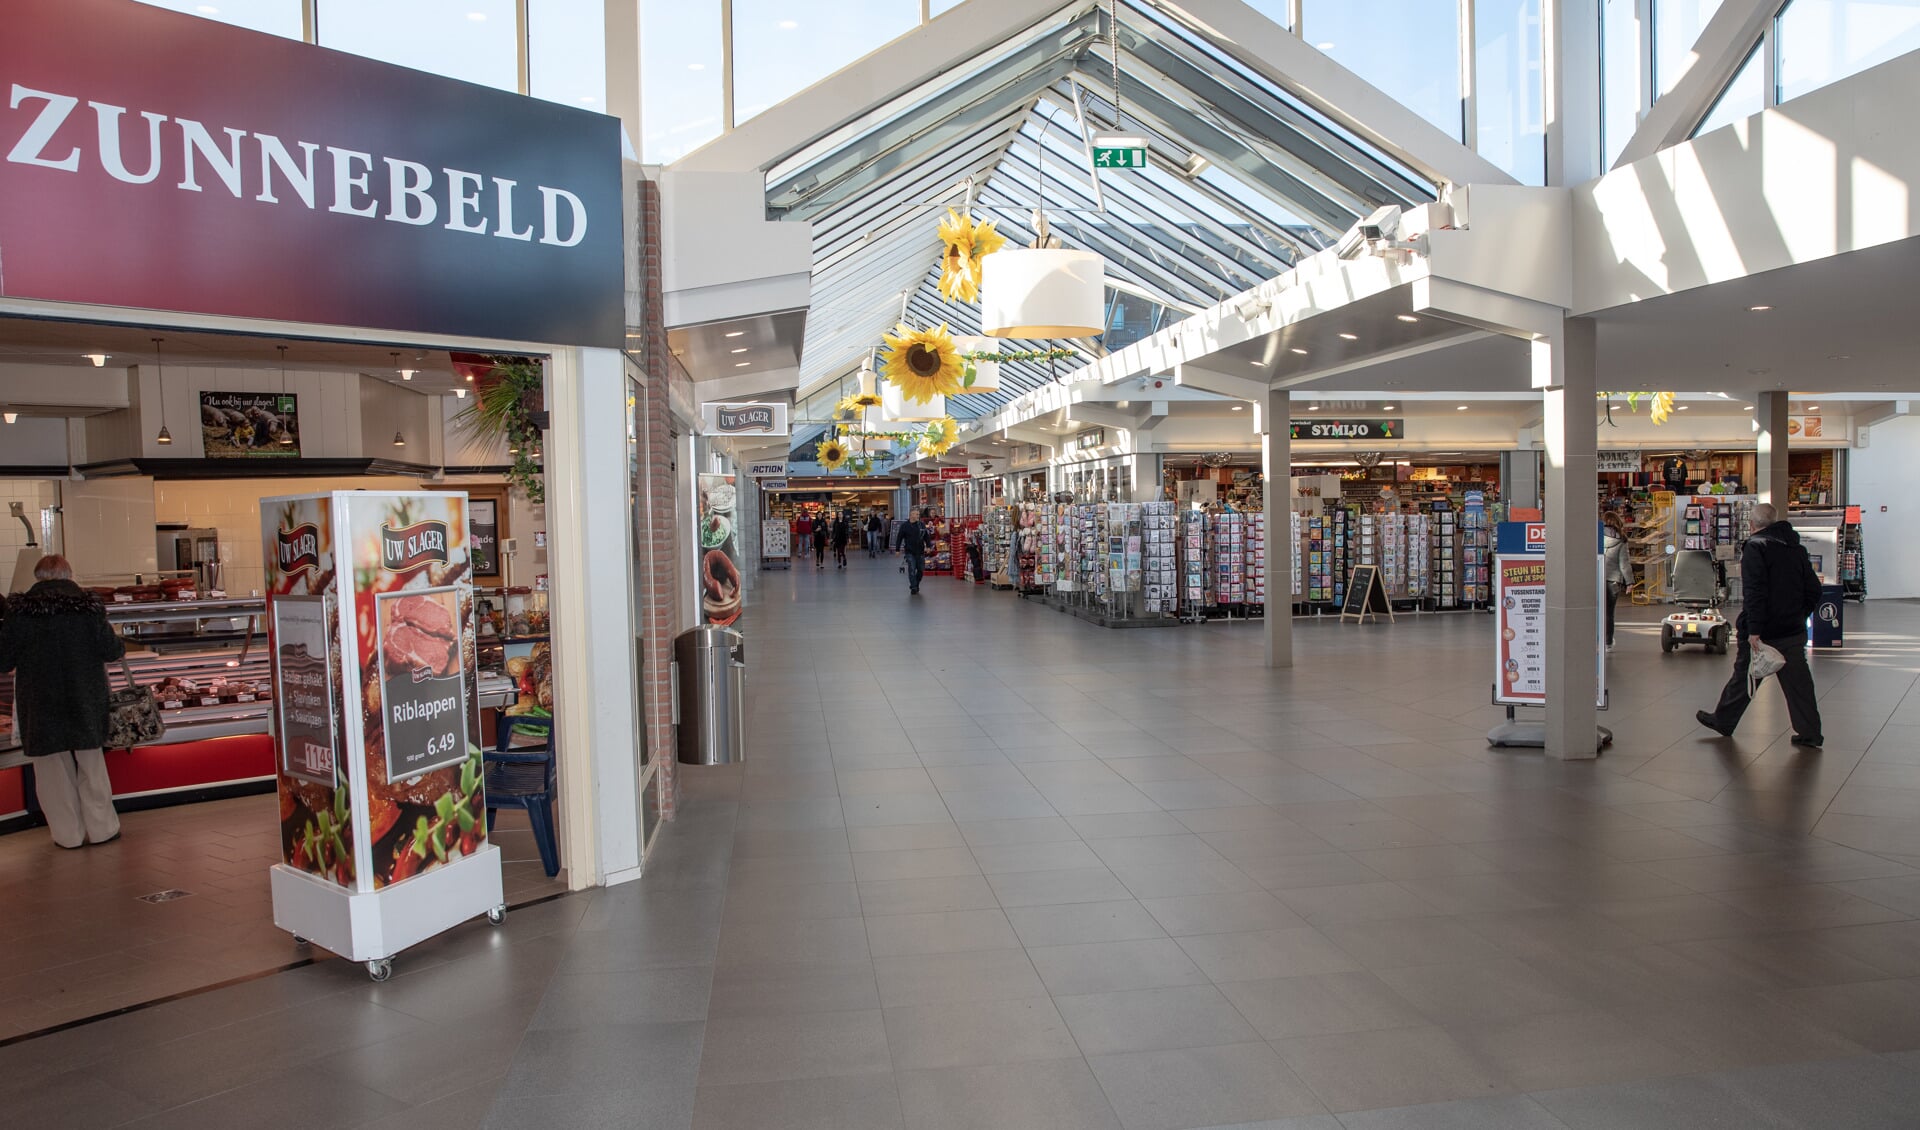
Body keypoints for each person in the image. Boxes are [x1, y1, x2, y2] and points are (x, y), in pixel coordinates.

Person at [0, 555, 126, 848]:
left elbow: (4, 659)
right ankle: (102, 829)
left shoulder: (18, 610)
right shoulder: (87, 606)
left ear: (38, 577)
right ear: (69, 575)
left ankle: (67, 835)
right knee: (91, 765)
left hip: (40, 701)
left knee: (51, 770)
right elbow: (111, 650)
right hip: (84, 696)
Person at [1697, 503, 1824, 747]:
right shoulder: (1796, 548)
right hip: (1792, 630)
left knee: (1745, 675)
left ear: (1752, 525)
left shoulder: (1756, 548)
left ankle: (1723, 720)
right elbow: (1814, 589)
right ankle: (1810, 732)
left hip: (1764, 630)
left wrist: (1754, 629)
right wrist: (1798, 614)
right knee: (1799, 685)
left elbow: (1755, 592)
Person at [1602, 514, 1633, 649]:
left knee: (1594, 611)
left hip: (1597, 578)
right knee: (1609, 613)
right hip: (1614, 581)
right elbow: (1624, 564)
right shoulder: (1621, 541)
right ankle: (1608, 642)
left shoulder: (1596, 537)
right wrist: (1630, 582)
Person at [900, 508, 930, 595]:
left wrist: (928, 546)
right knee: (912, 569)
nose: (918, 516)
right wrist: (897, 549)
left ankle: (916, 584)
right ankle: (913, 587)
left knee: (921, 570)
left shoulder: (921, 525)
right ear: (911, 515)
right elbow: (899, 537)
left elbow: (926, 536)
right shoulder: (905, 526)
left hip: (920, 551)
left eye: (918, 514)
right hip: (909, 552)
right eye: (916, 514)